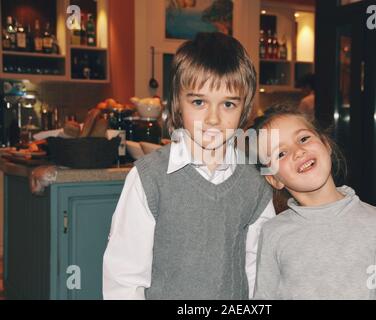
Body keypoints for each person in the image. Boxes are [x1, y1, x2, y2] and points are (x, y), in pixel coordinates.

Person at [102, 32, 275, 300]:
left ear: (245, 109)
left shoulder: (255, 187)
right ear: (178, 105)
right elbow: (124, 276)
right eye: (199, 102)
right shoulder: (150, 179)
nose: (213, 118)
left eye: (228, 104)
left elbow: (257, 271)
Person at [251, 104, 376, 300]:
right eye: (280, 153)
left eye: (303, 138)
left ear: (325, 144)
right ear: (273, 179)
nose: (298, 151)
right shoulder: (273, 232)